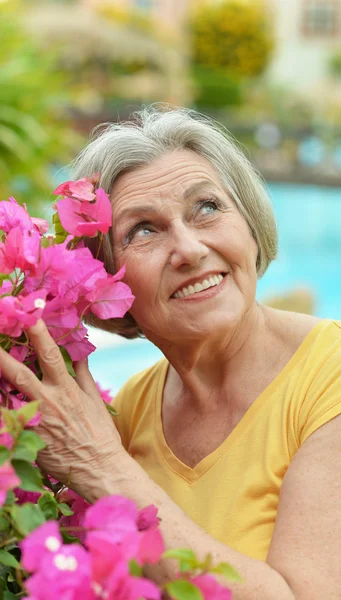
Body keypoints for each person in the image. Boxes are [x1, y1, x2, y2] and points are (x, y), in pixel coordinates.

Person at [1, 106, 340, 599]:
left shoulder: (328, 375)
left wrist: (100, 467)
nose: (189, 249)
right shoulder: (125, 409)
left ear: (249, 223)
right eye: (143, 230)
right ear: (100, 281)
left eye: (206, 207)